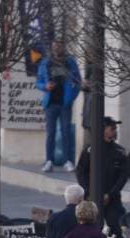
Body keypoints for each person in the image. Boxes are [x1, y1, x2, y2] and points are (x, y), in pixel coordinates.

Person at [75, 116, 130, 236]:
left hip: (112, 198)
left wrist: (110, 194)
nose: (115, 131)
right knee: (90, 227)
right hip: (91, 197)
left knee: (116, 227)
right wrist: (90, 191)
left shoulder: (119, 151)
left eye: (115, 128)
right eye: (112, 128)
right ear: (103, 130)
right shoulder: (90, 150)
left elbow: (123, 175)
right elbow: (81, 172)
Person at [36, 38, 82, 172]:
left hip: (64, 103)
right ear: (52, 47)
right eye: (55, 46)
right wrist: (45, 86)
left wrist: (71, 97)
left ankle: (68, 161)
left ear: (64, 47)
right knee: (50, 133)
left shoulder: (70, 62)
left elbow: (78, 82)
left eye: (59, 46)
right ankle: (49, 161)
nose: (57, 49)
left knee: (66, 132)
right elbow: (37, 82)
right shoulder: (45, 63)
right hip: (50, 103)